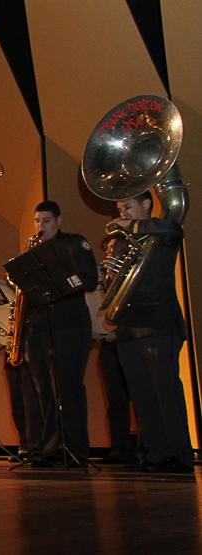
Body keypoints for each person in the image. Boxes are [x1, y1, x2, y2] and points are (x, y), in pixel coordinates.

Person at [108, 191, 192, 472]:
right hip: (128, 327)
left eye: (128, 207)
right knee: (141, 394)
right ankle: (156, 452)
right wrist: (111, 273)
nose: (123, 213)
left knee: (165, 390)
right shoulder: (120, 243)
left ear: (146, 204)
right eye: (120, 208)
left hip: (158, 322)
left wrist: (132, 227)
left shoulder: (160, 231)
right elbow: (116, 288)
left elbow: (173, 229)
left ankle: (179, 454)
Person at [21, 201, 97, 466]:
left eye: (47, 221)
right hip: (40, 329)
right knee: (45, 391)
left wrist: (61, 278)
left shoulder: (75, 243)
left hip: (70, 325)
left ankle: (75, 448)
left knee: (69, 388)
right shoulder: (33, 251)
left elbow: (89, 279)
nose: (41, 226)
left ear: (59, 220)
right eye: (37, 221)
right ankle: (49, 448)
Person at [96, 236, 138, 464]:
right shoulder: (107, 277)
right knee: (115, 400)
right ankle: (120, 448)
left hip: (128, 339)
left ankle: (147, 447)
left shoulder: (133, 273)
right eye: (107, 250)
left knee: (139, 396)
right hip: (109, 342)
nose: (108, 254)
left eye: (112, 249)